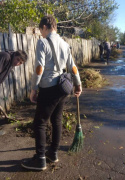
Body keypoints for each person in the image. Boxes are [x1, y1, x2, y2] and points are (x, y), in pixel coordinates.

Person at [21, 15, 82, 171]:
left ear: (44, 27)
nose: (41, 34)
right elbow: (73, 66)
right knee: (56, 120)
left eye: (41, 30)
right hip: (63, 87)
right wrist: (78, 84)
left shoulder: (43, 42)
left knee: (40, 122)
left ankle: (40, 160)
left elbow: (39, 68)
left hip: (48, 87)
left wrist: (34, 88)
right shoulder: (64, 43)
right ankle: (53, 153)